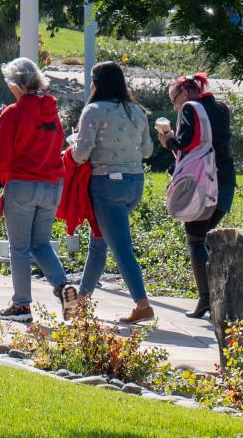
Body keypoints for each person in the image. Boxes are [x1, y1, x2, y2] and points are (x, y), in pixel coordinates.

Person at [0, 57, 70, 323]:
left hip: (23, 186)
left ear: (16, 83)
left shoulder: (13, 113)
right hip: (51, 187)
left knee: (19, 248)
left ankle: (21, 306)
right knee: (40, 244)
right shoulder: (52, 113)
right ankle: (63, 287)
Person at [69, 61, 156, 323]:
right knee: (99, 241)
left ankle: (142, 304)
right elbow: (148, 151)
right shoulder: (136, 111)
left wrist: (72, 145)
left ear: (96, 83)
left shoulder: (93, 111)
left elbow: (81, 154)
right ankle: (80, 302)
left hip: (107, 184)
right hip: (134, 184)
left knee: (120, 248)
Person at [158, 72, 237, 319]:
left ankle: (206, 299)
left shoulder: (190, 109)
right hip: (225, 181)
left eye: (174, 99)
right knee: (206, 239)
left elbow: (186, 143)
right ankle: (216, 296)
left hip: (203, 185)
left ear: (185, 92)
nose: (175, 105)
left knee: (195, 239)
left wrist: (168, 139)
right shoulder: (222, 108)